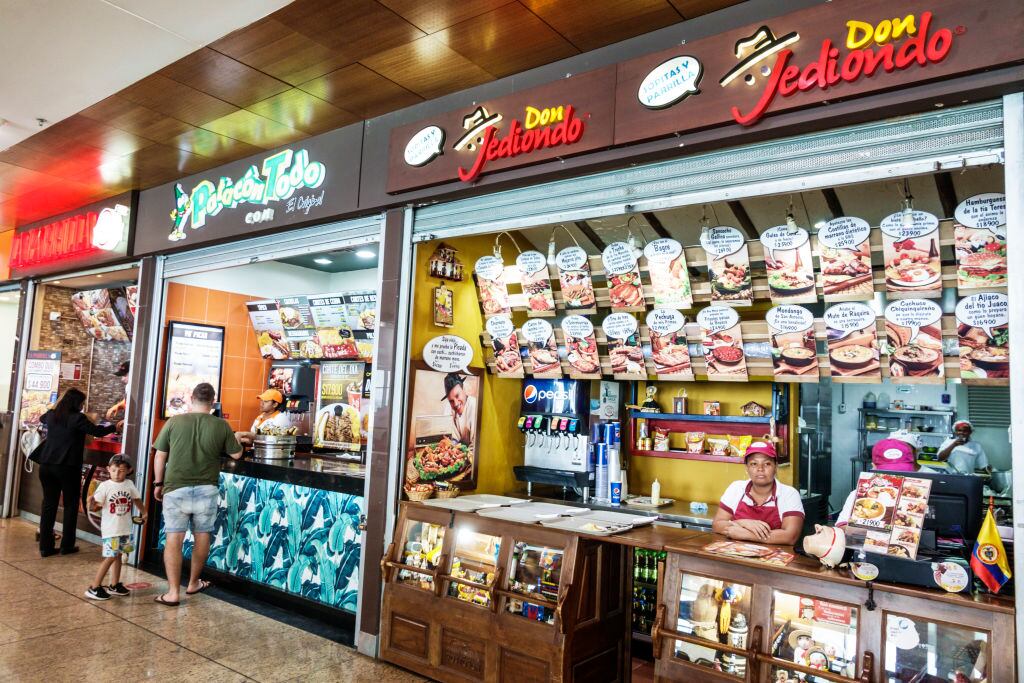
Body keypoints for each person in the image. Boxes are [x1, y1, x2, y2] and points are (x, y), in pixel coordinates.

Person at [152, 383, 242, 606]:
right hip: (206, 489)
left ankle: (173, 592)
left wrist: (158, 483)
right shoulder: (221, 425)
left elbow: (160, 455)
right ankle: (193, 583)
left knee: (174, 537)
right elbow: (237, 454)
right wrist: (238, 438)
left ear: (192, 399)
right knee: (202, 535)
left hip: (175, 487)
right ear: (213, 402)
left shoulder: (174, 422)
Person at [30, 388, 118, 557]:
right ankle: (67, 545)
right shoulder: (78, 418)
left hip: (46, 465)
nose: (82, 406)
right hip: (67, 467)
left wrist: (56, 406)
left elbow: (42, 418)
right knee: (70, 505)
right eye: (82, 402)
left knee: (49, 505)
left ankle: (45, 547)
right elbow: (97, 431)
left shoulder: (51, 415)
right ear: (76, 403)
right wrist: (115, 427)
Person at [835, 430, 939, 527]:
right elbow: (841, 526)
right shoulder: (858, 495)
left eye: (902, 471)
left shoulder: (922, 493)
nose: (895, 476)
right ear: (873, 467)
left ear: (913, 466)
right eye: (888, 472)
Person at [712, 441, 805, 545]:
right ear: (746, 468)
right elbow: (717, 524)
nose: (760, 469)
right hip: (736, 551)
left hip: (774, 554)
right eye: (754, 464)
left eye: (767, 464)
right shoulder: (736, 488)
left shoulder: (789, 494)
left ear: (775, 467)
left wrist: (745, 534)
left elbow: (791, 537)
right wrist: (743, 523)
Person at [85, 455, 146, 600]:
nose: (117, 474)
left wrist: (144, 512)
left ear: (129, 471)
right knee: (111, 556)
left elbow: (136, 499)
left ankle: (114, 585)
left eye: (121, 470)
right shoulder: (105, 486)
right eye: (113, 470)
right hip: (111, 530)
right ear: (108, 469)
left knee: (118, 555)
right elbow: (95, 507)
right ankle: (94, 587)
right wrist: (91, 503)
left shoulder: (129, 484)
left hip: (125, 528)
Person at [442, 373, 477, 447]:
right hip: (456, 451)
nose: (455, 404)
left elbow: (475, 444)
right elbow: (448, 438)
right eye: (451, 401)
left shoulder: (474, 405)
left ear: (463, 390)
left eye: (457, 396)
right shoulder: (448, 407)